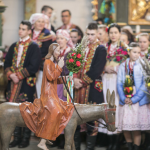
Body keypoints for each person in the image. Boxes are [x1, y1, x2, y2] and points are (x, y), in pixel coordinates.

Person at [19, 43, 74, 150]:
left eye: (59, 50)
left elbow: (54, 79)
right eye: (57, 50)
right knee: (56, 111)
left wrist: (66, 77)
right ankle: (42, 141)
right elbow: (51, 76)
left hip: (52, 94)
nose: (59, 53)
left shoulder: (52, 63)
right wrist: (60, 66)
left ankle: (49, 133)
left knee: (60, 111)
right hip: (48, 95)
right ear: (52, 51)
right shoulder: (48, 62)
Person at [4, 20, 41, 148]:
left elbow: (34, 66)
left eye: (24, 29)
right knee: (14, 112)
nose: (20, 31)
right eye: (20, 28)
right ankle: (16, 138)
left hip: (26, 84)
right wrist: (11, 75)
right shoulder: (14, 45)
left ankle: (25, 139)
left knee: (26, 112)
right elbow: (7, 63)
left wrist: (18, 76)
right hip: (12, 85)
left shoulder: (34, 46)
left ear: (29, 31)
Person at [73, 23, 107, 150]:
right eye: (88, 34)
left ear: (98, 34)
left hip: (92, 89)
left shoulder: (101, 49)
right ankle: (76, 147)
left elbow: (96, 70)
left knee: (92, 121)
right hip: (77, 89)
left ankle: (89, 148)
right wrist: (75, 78)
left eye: (93, 34)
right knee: (75, 117)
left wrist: (81, 82)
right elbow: (73, 64)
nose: (90, 37)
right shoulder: (80, 47)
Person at [117, 42, 150, 150]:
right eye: (134, 52)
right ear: (129, 52)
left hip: (138, 99)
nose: (136, 55)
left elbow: (145, 84)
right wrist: (123, 97)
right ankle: (130, 146)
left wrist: (135, 98)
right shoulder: (123, 65)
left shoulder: (143, 64)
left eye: (138, 53)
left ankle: (136, 147)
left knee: (137, 126)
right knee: (126, 125)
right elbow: (119, 82)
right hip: (126, 97)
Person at [102, 23, 128, 150]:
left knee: (116, 108)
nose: (113, 35)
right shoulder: (103, 47)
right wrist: (104, 68)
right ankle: (109, 139)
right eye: (111, 32)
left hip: (117, 80)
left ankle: (116, 142)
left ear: (119, 33)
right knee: (107, 107)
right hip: (105, 80)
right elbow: (98, 63)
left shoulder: (124, 48)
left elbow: (127, 66)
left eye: (115, 32)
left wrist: (116, 68)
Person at [29, 13, 54, 99]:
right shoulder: (29, 32)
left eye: (42, 22)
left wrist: (33, 59)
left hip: (41, 65)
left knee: (39, 86)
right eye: (38, 21)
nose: (41, 23)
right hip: (28, 65)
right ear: (34, 23)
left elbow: (46, 51)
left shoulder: (47, 34)